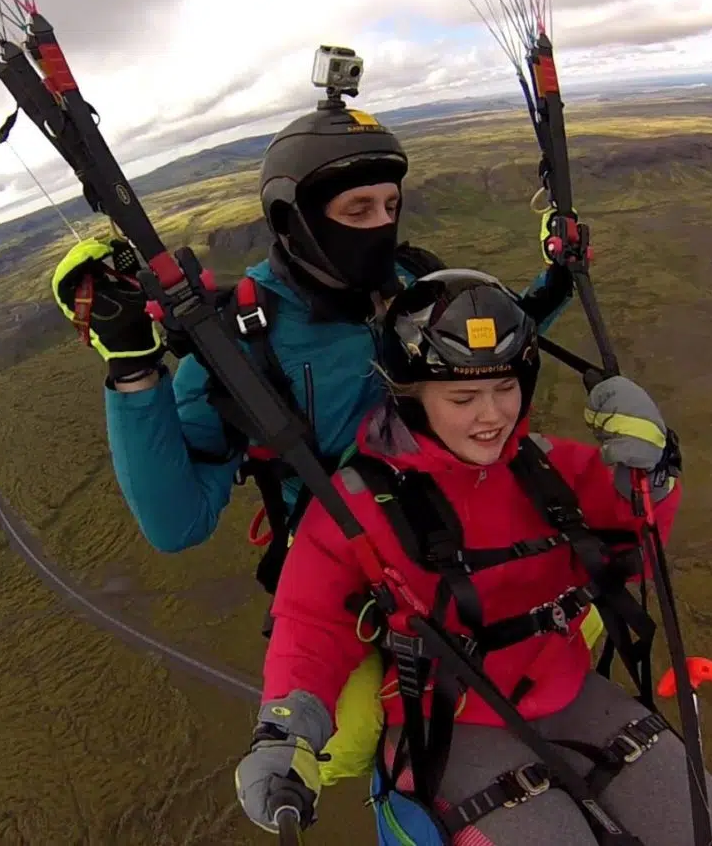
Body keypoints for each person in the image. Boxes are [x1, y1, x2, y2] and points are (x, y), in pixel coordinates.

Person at [51, 103, 583, 784]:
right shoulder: (241, 346)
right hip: (355, 575)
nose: (382, 226)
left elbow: (484, 344)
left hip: (457, 527)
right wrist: (131, 368)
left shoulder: (406, 282)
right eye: (357, 210)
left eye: (391, 205)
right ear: (292, 219)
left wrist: (557, 279)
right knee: (348, 741)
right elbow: (177, 522)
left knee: (570, 627)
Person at [232, 269, 712, 845]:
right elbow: (312, 626)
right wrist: (286, 732)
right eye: (463, 397)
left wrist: (653, 475)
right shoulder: (356, 506)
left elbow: (632, 540)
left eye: (505, 388)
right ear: (407, 397)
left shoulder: (547, 467)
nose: (491, 416)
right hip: (449, 726)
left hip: (571, 692)